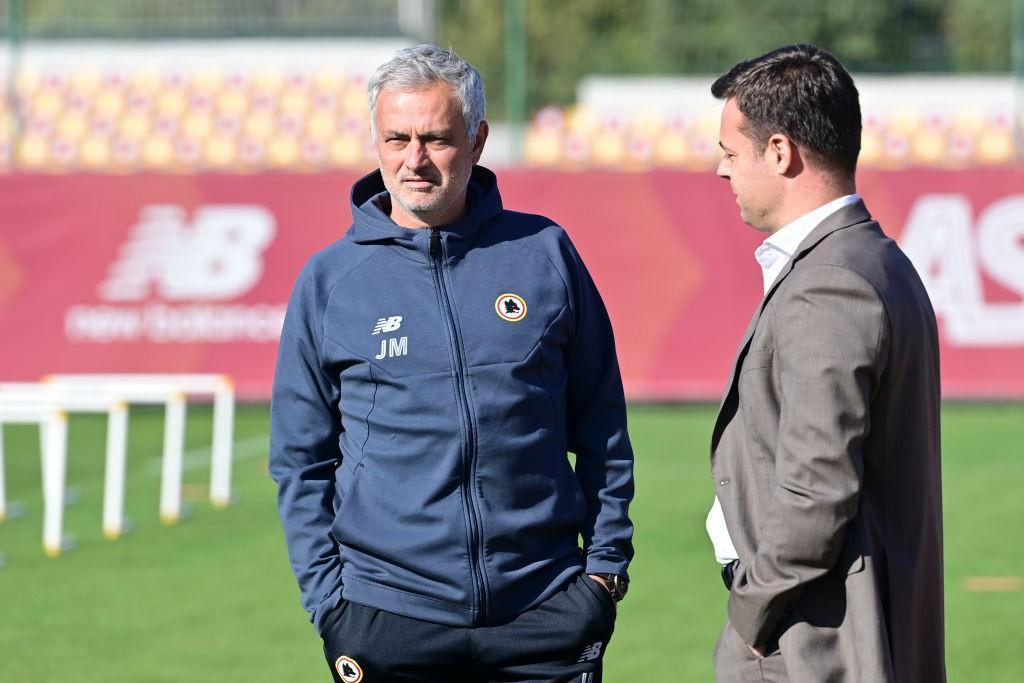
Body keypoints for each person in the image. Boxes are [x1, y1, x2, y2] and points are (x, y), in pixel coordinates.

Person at [269, 44, 634, 683]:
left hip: (545, 609)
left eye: (436, 139)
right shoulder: (330, 281)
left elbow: (601, 421)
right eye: (396, 138)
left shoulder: (544, 252)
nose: (414, 160)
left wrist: (603, 570)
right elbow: (300, 460)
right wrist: (331, 606)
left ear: (477, 140)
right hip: (385, 618)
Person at [707, 44, 945, 682]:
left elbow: (818, 489)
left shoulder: (830, 283)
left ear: (780, 152)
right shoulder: (874, 261)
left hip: (814, 645)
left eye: (730, 152)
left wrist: (752, 614)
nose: (720, 171)